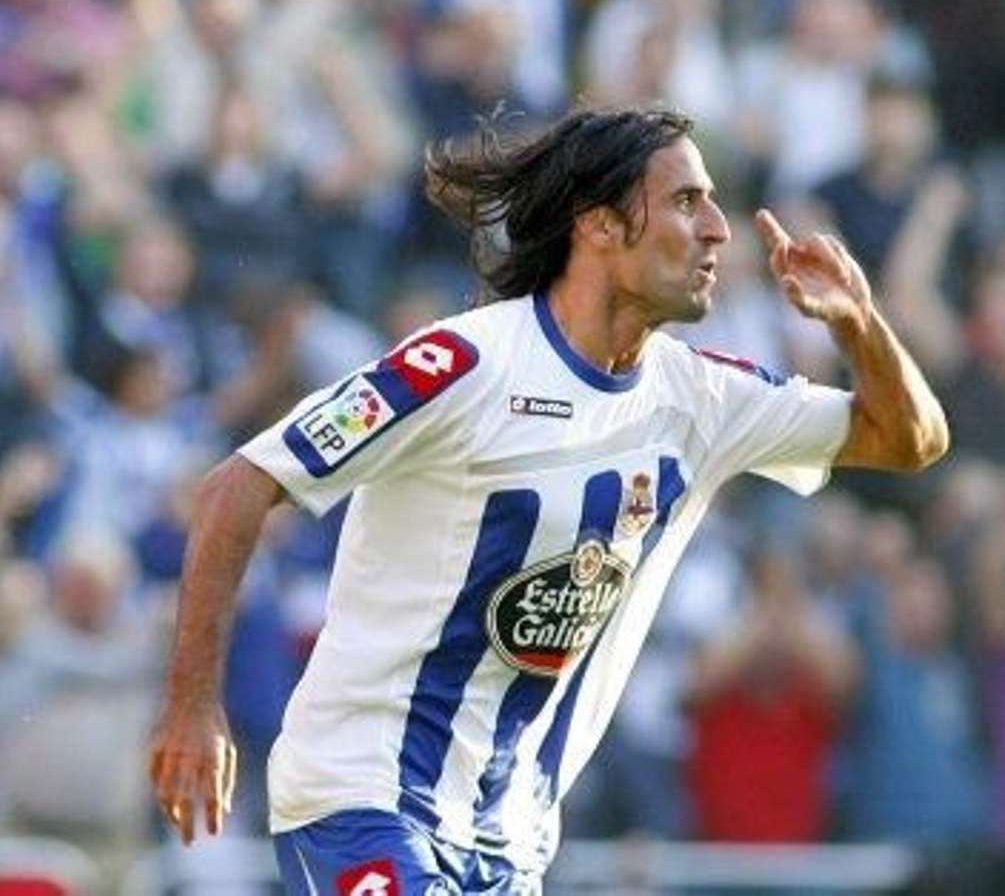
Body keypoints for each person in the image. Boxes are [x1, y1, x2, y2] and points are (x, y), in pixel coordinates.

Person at [146, 104, 949, 892]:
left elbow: (908, 439)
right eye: (683, 200)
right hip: (362, 796)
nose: (718, 228)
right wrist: (192, 707)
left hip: (512, 838)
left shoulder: (705, 398)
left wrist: (858, 323)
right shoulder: (462, 365)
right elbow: (236, 487)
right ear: (597, 224)